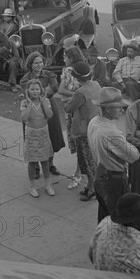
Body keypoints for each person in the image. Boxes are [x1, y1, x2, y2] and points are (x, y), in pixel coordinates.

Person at [87, 87, 140, 222]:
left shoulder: (94, 122)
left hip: (100, 174)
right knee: (119, 219)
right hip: (114, 180)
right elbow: (134, 155)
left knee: (104, 215)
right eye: (118, 107)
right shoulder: (110, 131)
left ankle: (102, 240)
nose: (122, 110)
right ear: (107, 109)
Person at [20, 52, 66, 176]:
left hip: (49, 107)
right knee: (34, 138)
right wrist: (45, 92)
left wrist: (37, 92)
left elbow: (55, 87)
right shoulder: (25, 78)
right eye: (36, 63)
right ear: (30, 64)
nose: (39, 65)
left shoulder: (48, 74)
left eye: (40, 62)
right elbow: (28, 93)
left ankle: (51, 164)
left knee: (51, 136)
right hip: (32, 110)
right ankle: (35, 168)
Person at [64, 62, 101, 201]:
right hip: (95, 126)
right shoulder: (96, 85)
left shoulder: (80, 92)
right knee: (92, 160)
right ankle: (91, 186)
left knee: (87, 161)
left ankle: (92, 189)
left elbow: (69, 108)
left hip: (83, 130)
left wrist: (66, 103)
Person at [20, 78, 54, 197]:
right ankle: (32, 186)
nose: (35, 91)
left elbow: (49, 115)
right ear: (28, 91)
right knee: (32, 161)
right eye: (32, 89)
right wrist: (29, 103)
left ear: (41, 90)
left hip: (43, 133)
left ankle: (48, 184)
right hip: (31, 134)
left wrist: (43, 101)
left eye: (37, 89)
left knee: (45, 160)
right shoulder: (24, 102)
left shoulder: (45, 101)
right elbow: (25, 117)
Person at [57, 46, 85, 187]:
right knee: (79, 141)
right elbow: (61, 90)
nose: (64, 59)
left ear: (71, 57)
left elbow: (62, 90)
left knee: (80, 141)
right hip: (75, 110)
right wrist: (77, 95)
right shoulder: (70, 71)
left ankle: (78, 173)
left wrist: (74, 96)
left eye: (65, 56)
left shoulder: (73, 71)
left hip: (77, 111)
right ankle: (81, 170)